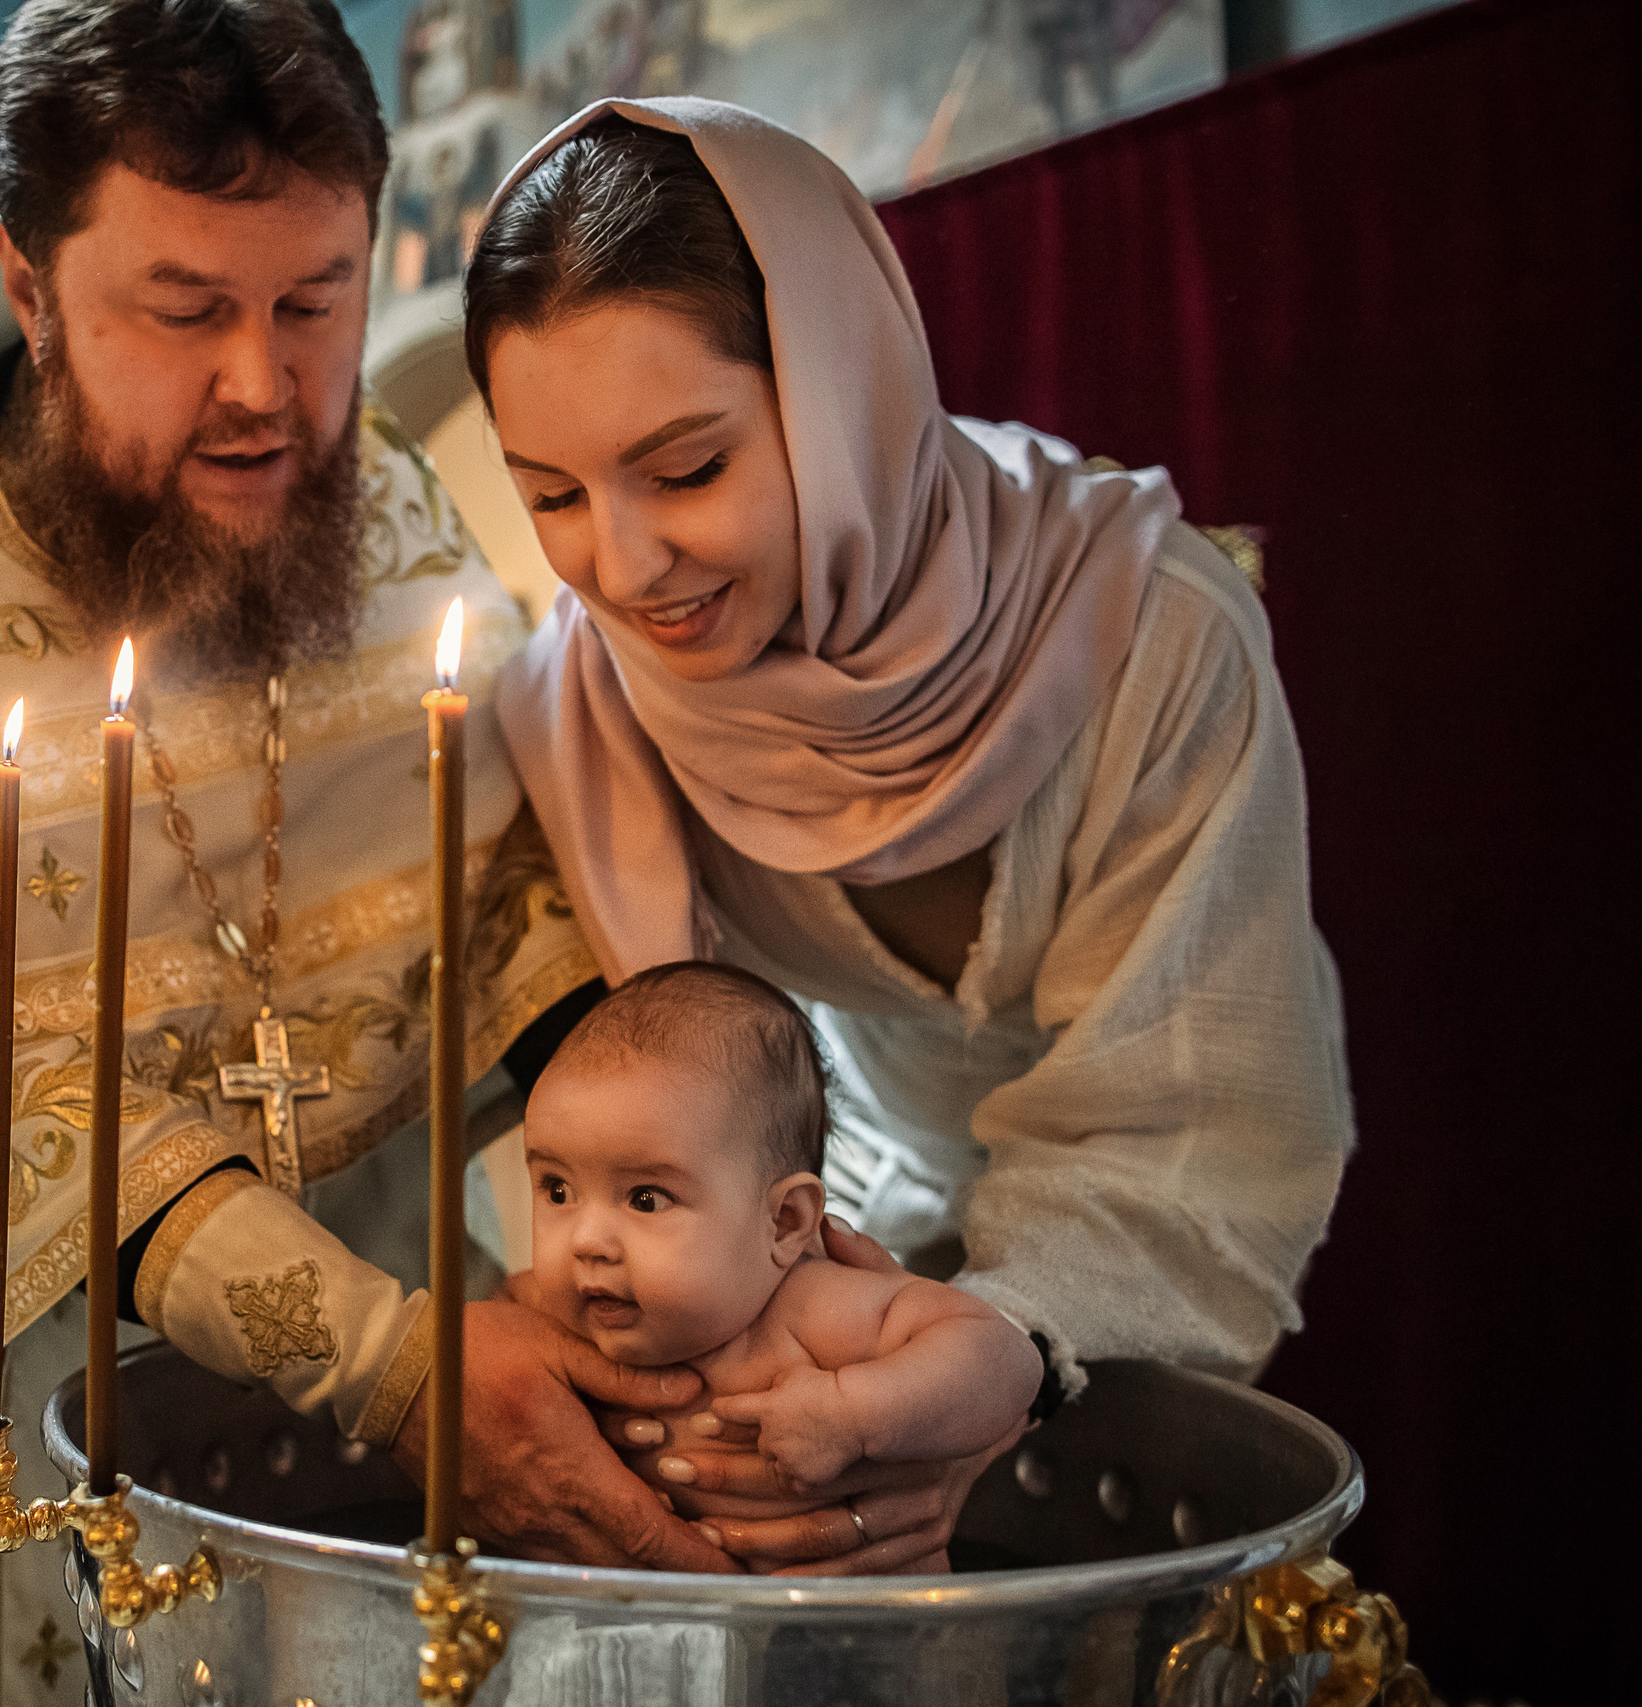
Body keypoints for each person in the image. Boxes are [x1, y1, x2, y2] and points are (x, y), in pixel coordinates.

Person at [0, 13, 743, 1706]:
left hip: (299, 1469)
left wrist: (701, 1195)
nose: (264, 386)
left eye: (316, 301)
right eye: (184, 311)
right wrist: (391, 1364)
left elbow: (517, 903)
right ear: (30, 283)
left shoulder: (373, 513)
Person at [468, 99, 1353, 1575]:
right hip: (815, 1271)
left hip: (1136, 1275)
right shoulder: (585, 705)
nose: (620, 568)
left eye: (686, 469)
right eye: (551, 494)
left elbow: (1190, 1116)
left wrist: (994, 1342)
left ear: (842, 390)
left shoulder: (1149, 637)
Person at [521, 960, 1041, 1571]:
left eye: (645, 1198)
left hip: (868, 1638)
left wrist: (855, 1412)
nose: (586, 1241)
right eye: (557, 1190)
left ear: (786, 1222)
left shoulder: (810, 1310)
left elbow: (1006, 1361)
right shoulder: (546, 1317)